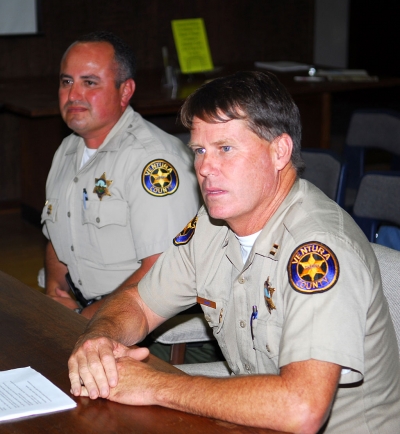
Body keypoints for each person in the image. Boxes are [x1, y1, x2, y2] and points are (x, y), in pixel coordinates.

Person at [67, 71, 400, 433]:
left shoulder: (316, 253)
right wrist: (99, 340)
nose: (205, 169)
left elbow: (302, 409)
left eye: (225, 148)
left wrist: (154, 385)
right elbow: (138, 302)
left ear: (280, 151)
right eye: (199, 151)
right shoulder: (212, 227)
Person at [41, 31, 201, 319]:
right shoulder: (67, 149)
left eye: (89, 83)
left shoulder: (153, 161)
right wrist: (55, 292)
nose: (73, 95)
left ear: (125, 91)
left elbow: (163, 270)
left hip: (143, 320)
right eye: (67, 82)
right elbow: (55, 235)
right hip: (82, 308)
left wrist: (84, 318)